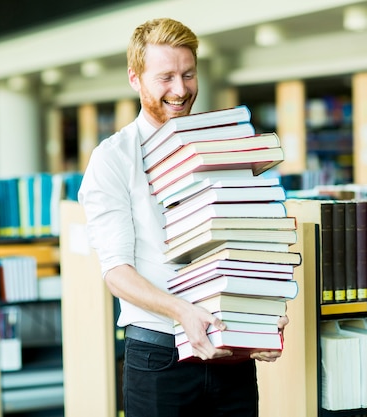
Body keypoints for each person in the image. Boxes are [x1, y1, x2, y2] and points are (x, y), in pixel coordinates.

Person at [78, 17, 289, 417]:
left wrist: (263, 311)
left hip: (231, 357)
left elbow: (246, 244)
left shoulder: (223, 147)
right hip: (160, 358)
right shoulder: (114, 158)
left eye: (188, 75)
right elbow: (116, 272)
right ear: (135, 78)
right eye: (166, 77)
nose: (180, 90)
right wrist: (183, 313)